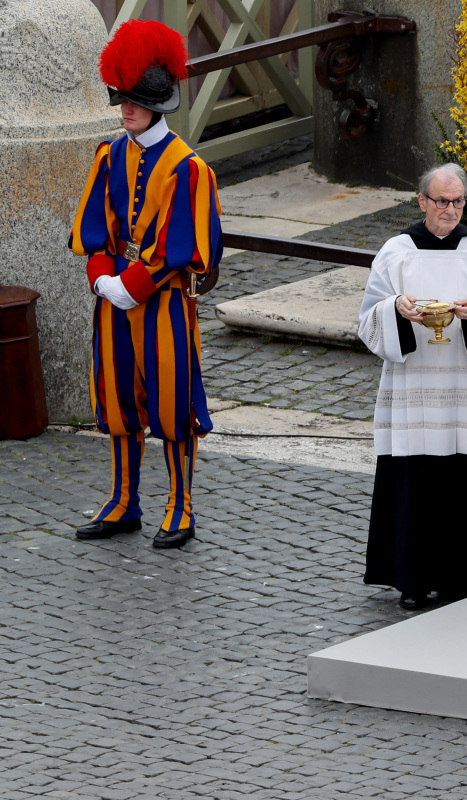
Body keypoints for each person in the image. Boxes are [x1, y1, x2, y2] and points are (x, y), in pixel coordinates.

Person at [71, 20, 223, 549]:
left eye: (133, 101)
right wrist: (101, 280)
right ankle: (123, 501)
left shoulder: (189, 168)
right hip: (114, 298)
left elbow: (181, 246)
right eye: (122, 99)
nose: (124, 109)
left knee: (172, 404)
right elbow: (93, 231)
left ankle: (180, 506)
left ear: (157, 104)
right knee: (116, 401)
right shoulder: (109, 155)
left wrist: (129, 285)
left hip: (162, 303)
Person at [358, 164, 467, 609]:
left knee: (464, 479)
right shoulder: (397, 252)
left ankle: (464, 575)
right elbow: (367, 319)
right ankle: (412, 577)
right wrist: (395, 309)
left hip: (465, 392)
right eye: (442, 201)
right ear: (422, 201)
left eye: (459, 201)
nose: (451, 210)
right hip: (412, 391)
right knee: (415, 481)